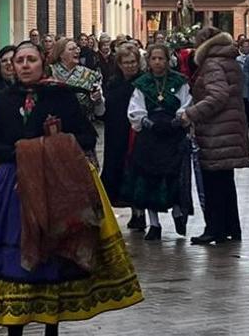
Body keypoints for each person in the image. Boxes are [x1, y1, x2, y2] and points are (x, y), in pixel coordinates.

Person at [0, 41, 143, 336]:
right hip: (14, 190)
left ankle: (52, 335)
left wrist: (54, 145)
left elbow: (87, 137)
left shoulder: (61, 97)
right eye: (19, 60)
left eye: (30, 59)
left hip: (56, 186)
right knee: (16, 263)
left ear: (43, 63)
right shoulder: (4, 100)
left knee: (53, 258)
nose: (24, 65)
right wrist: (23, 153)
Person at [182, 27, 249, 245]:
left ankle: (215, 229)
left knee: (213, 183)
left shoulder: (211, 64)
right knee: (225, 182)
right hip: (229, 129)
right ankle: (231, 227)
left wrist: (191, 113)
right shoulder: (228, 59)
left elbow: (218, 95)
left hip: (216, 131)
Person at [123, 44, 194, 240]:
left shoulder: (179, 81)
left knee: (174, 175)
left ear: (168, 60)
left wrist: (178, 119)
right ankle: (154, 224)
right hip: (150, 137)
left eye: (161, 58)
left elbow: (187, 102)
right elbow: (135, 108)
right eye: (153, 58)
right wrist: (146, 122)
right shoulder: (142, 83)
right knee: (148, 178)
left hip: (173, 135)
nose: (157, 62)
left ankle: (178, 212)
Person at [101, 45, 142, 231]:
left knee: (135, 170)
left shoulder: (142, 82)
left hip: (135, 132)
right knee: (116, 169)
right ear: (119, 64)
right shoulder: (112, 83)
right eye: (126, 62)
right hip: (115, 132)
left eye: (133, 62)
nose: (130, 66)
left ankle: (139, 212)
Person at [49, 37, 105, 121]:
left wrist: (98, 99)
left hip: (83, 124)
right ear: (61, 54)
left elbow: (100, 112)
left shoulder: (89, 75)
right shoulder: (49, 72)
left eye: (77, 48)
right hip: (54, 124)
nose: (77, 51)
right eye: (71, 49)